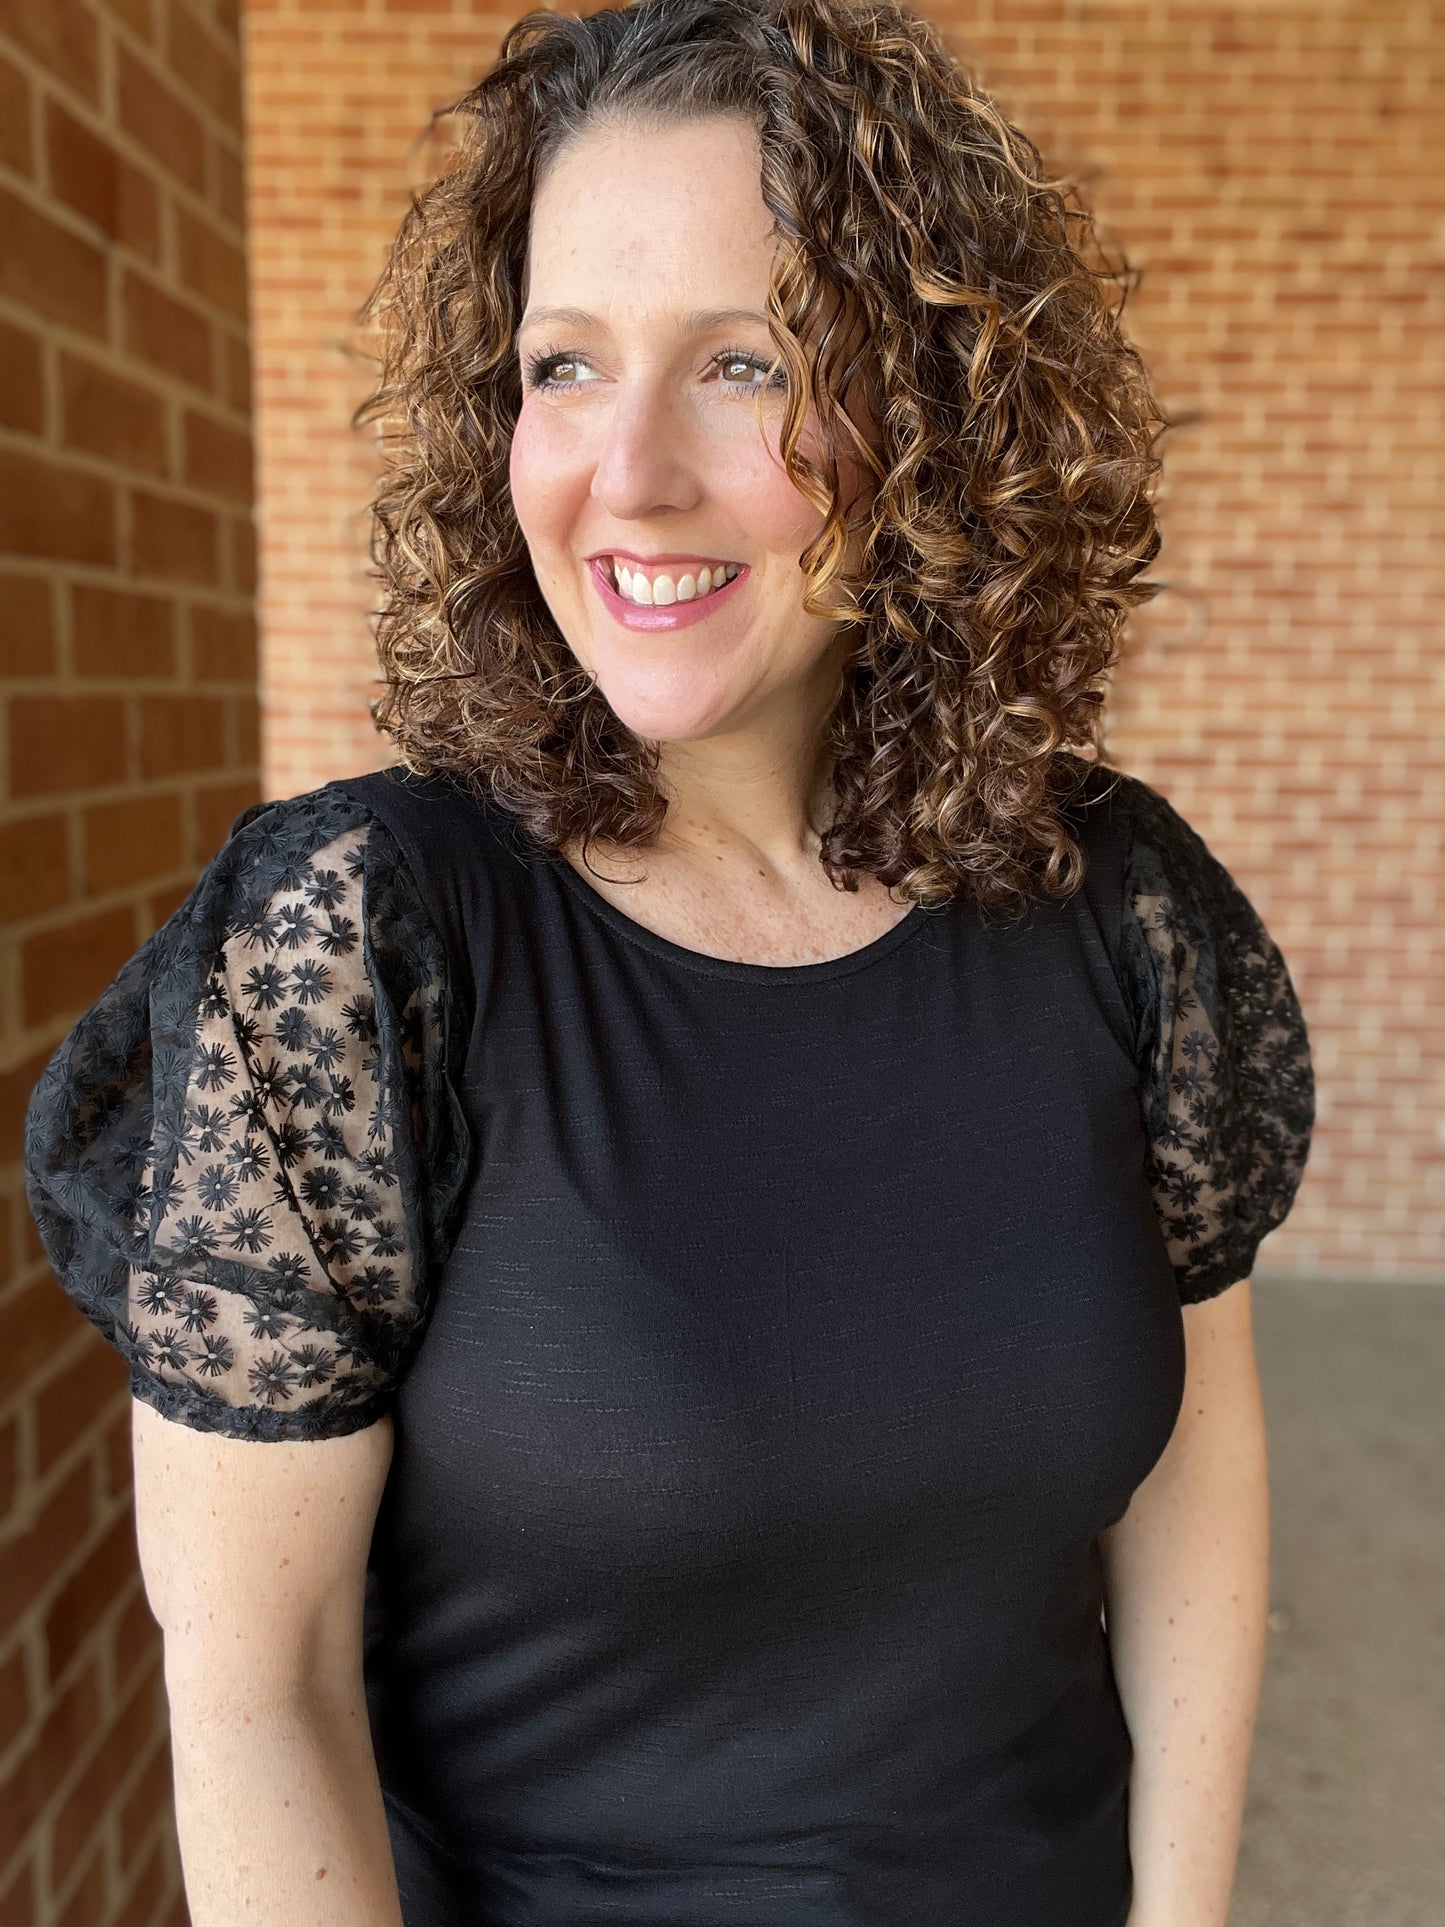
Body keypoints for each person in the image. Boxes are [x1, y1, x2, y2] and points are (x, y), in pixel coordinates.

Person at [23, 0, 1316, 1921]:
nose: (626, 473)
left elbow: (1190, 1480)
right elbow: (254, 1686)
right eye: (565, 365)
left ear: (935, 420)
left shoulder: (1116, 903)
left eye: (743, 363)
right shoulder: (361, 944)